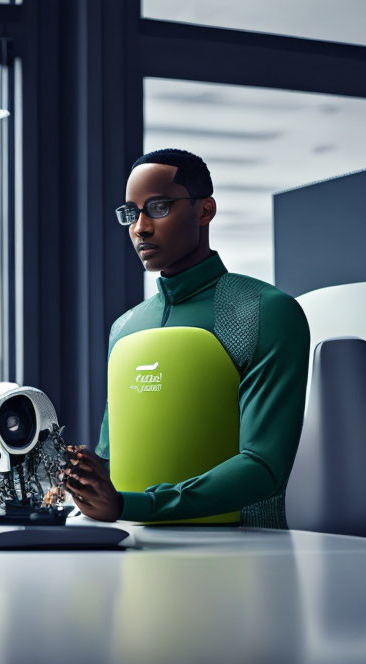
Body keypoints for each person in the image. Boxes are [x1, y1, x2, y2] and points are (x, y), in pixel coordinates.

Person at [62, 149, 310, 527]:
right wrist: (84, 477)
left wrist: (135, 506)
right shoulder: (125, 328)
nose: (140, 228)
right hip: (130, 546)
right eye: (131, 213)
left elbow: (263, 467)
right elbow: (113, 463)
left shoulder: (267, 311)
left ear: (204, 210)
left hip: (249, 554)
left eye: (158, 207)